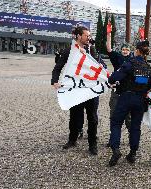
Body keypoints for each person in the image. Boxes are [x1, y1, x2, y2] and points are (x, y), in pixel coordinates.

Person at [51, 26, 99, 155]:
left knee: (93, 118)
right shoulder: (69, 51)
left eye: (89, 35)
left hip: (90, 90)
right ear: (78, 36)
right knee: (74, 117)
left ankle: (92, 144)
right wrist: (54, 81)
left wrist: (87, 56)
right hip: (75, 90)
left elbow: (99, 66)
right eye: (86, 35)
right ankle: (72, 140)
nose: (89, 38)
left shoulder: (92, 50)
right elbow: (58, 67)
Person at [108, 40, 151, 166]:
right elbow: (149, 85)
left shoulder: (130, 63)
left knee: (116, 123)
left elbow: (114, 78)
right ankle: (132, 153)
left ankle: (116, 150)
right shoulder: (148, 68)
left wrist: (113, 78)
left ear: (137, 51)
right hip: (140, 100)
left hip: (126, 97)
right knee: (135, 127)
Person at [106, 22, 132, 147]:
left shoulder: (133, 60)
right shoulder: (117, 57)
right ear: (121, 50)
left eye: (127, 49)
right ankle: (112, 139)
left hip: (127, 92)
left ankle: (132, 138)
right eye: (123, 49)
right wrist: (109, 34)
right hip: (116, 91)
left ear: (130, 51)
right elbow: (109, 49)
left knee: (128, 118)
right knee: (114, 116)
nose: (125, 51)